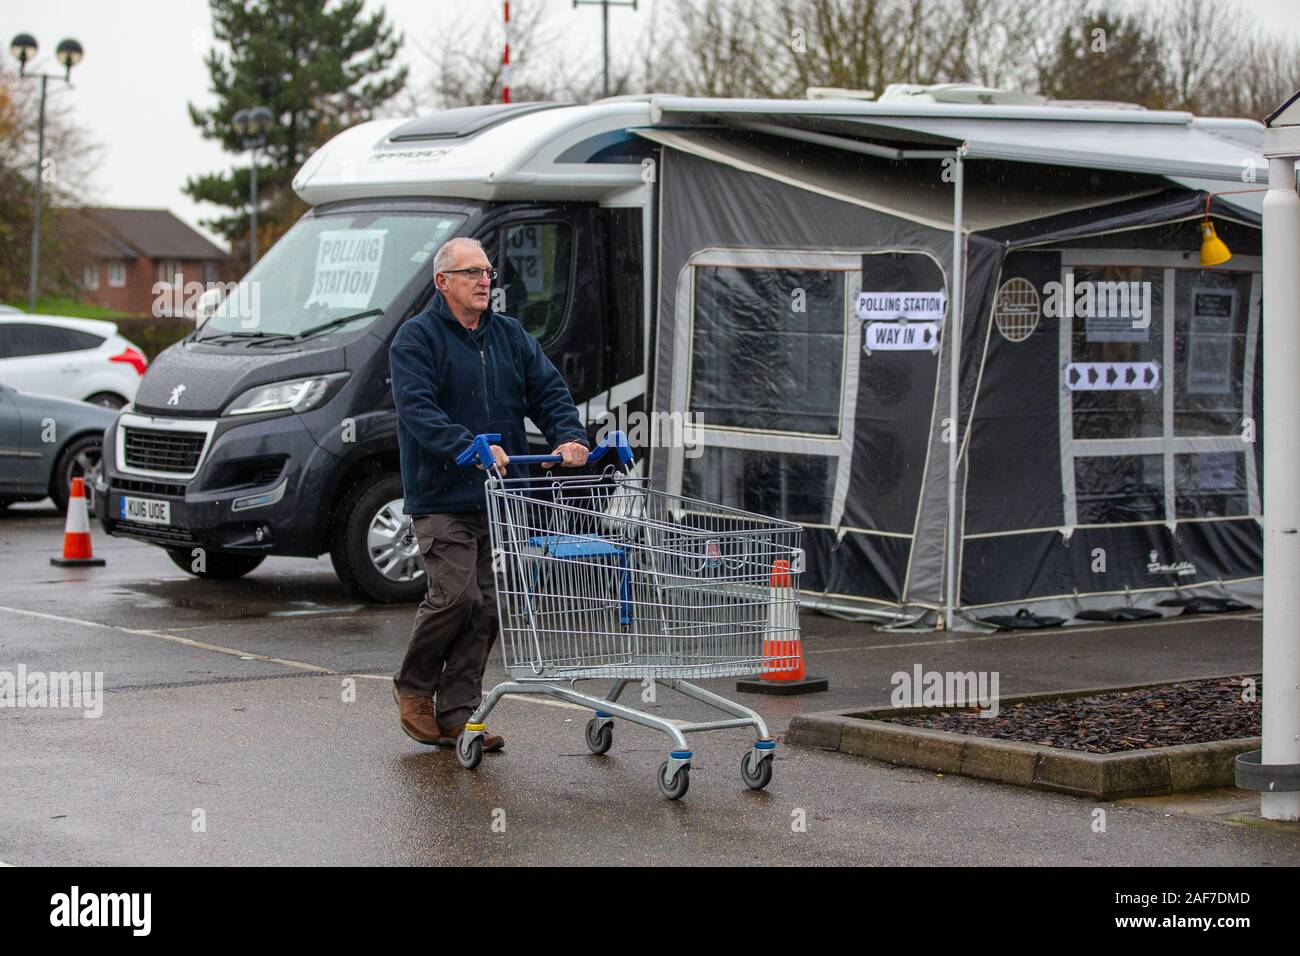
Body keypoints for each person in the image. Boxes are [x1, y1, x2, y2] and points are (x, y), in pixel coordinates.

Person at [388, 236, 589, 749]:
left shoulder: (511, 336)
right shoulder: (416, 339)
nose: (484, 281)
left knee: (487, 606)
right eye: (472, 272)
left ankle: (458, 713)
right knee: (456, 596)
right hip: (441, 496)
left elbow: (549, 392)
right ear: (443, 282)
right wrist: (469, 447)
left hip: (501, 500)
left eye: (488, 273)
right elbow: (418, 411)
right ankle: (413, 687)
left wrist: (569, 437)